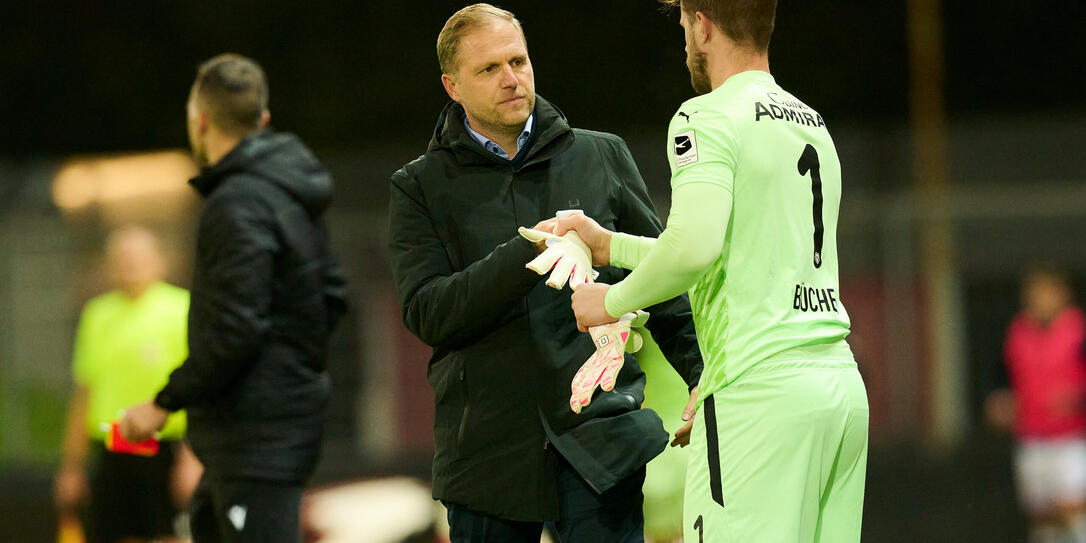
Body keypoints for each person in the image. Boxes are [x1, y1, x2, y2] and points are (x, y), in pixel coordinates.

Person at [388, 4, 703, 542]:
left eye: (518, 61)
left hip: (602, 445)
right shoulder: (419, 187)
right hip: (486, 461)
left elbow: (664, 278)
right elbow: (428, 313)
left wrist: (703, 377)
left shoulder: (601, 156)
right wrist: (524, 255)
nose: (511, 78)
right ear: (452, 86)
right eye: (489, 69)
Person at [559, 1, 869, 541]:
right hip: (838, 389)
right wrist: (610, 245)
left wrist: (606, 301)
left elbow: (694, 247)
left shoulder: (704, 116)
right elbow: (731, 247)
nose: (685, 40)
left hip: (759, 398)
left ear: (702, 25)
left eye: (683, 26)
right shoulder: (812, 123)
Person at [120, 53, 347, 543]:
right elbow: (332, 294)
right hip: (267, 432)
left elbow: (234, 330)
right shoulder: (291, 195)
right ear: (262, 121)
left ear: (200, 122)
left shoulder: (236, 203)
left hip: (255, 439)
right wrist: (295, 368)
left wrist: (164, 403)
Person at [55, 226, 200, 543]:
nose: (130, 265)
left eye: (138, 257)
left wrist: (192, 457)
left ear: (159, 261)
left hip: (166, 446)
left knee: (168, 534)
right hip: (112, 445)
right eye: (122, 258)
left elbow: (201, 385)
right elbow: (85, 390)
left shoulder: (183, 309)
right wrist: (72, 466)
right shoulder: (97, 315)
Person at [986, 265, 1086, 543]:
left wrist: (1079, 399)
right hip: (1030, 437)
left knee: (1072, 508)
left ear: (1062, 294)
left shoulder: (1078, 331)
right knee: (1042, 515)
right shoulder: (1017, 332)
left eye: (1046, 291)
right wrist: (1000, 400)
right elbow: (1001, 378)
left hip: (1070, 439)